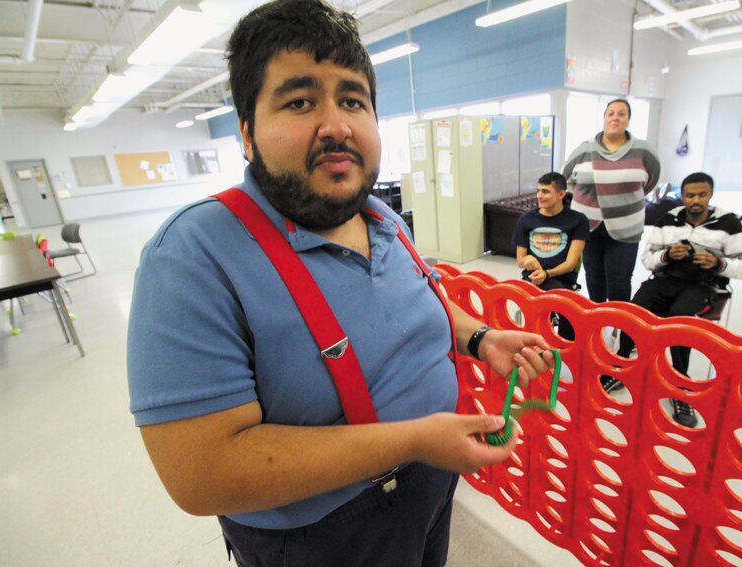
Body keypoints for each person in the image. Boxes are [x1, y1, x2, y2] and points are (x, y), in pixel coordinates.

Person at [126, 2, 554, 566]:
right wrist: (413, 440)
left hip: (432, 485)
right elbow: (202, 476)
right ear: (248, 134)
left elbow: (417, 303)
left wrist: (480, 338)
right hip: (320, 535)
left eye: (353, 100)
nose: (336, 125)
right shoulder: (192, 257)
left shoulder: (384, 219)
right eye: (300, 101)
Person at [609, 171, 742, 428]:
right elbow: (647, 259)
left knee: (679, 324)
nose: (695, 200)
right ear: (682, 196)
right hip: (666, 280)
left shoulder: (729, 223)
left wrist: (718, 263)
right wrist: (666, 256)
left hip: (704, 284)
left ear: (710, 195)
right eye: (690, 195)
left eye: (702, 194)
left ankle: (680, 385)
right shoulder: (668, 220)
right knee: (632, 314)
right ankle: (622, 366)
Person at [562, 98, 661, 304]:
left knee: (620, 279)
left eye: (621, 113)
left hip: (627, 225)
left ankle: (619, 324)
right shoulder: (584, 149)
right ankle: (598, 317)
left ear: (628, 120)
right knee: (594, 274)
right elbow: (568, 179)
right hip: (588, 225)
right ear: (604, 118)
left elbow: (650, 181)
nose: (615, 117)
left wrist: (622, 197)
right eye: (611, 113)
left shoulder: (643, 150)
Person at [512, 172, 589, 339]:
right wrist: (528, 259)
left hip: (562, 279)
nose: (539, 195)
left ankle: (564, 350)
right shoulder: (526, 219)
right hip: (531, 279)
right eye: (538, 190)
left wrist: (547, 273)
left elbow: (570, 263)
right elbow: (520, 260)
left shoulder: (578, 220)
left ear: (561, 194)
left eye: (546, 191)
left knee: (568, 308)